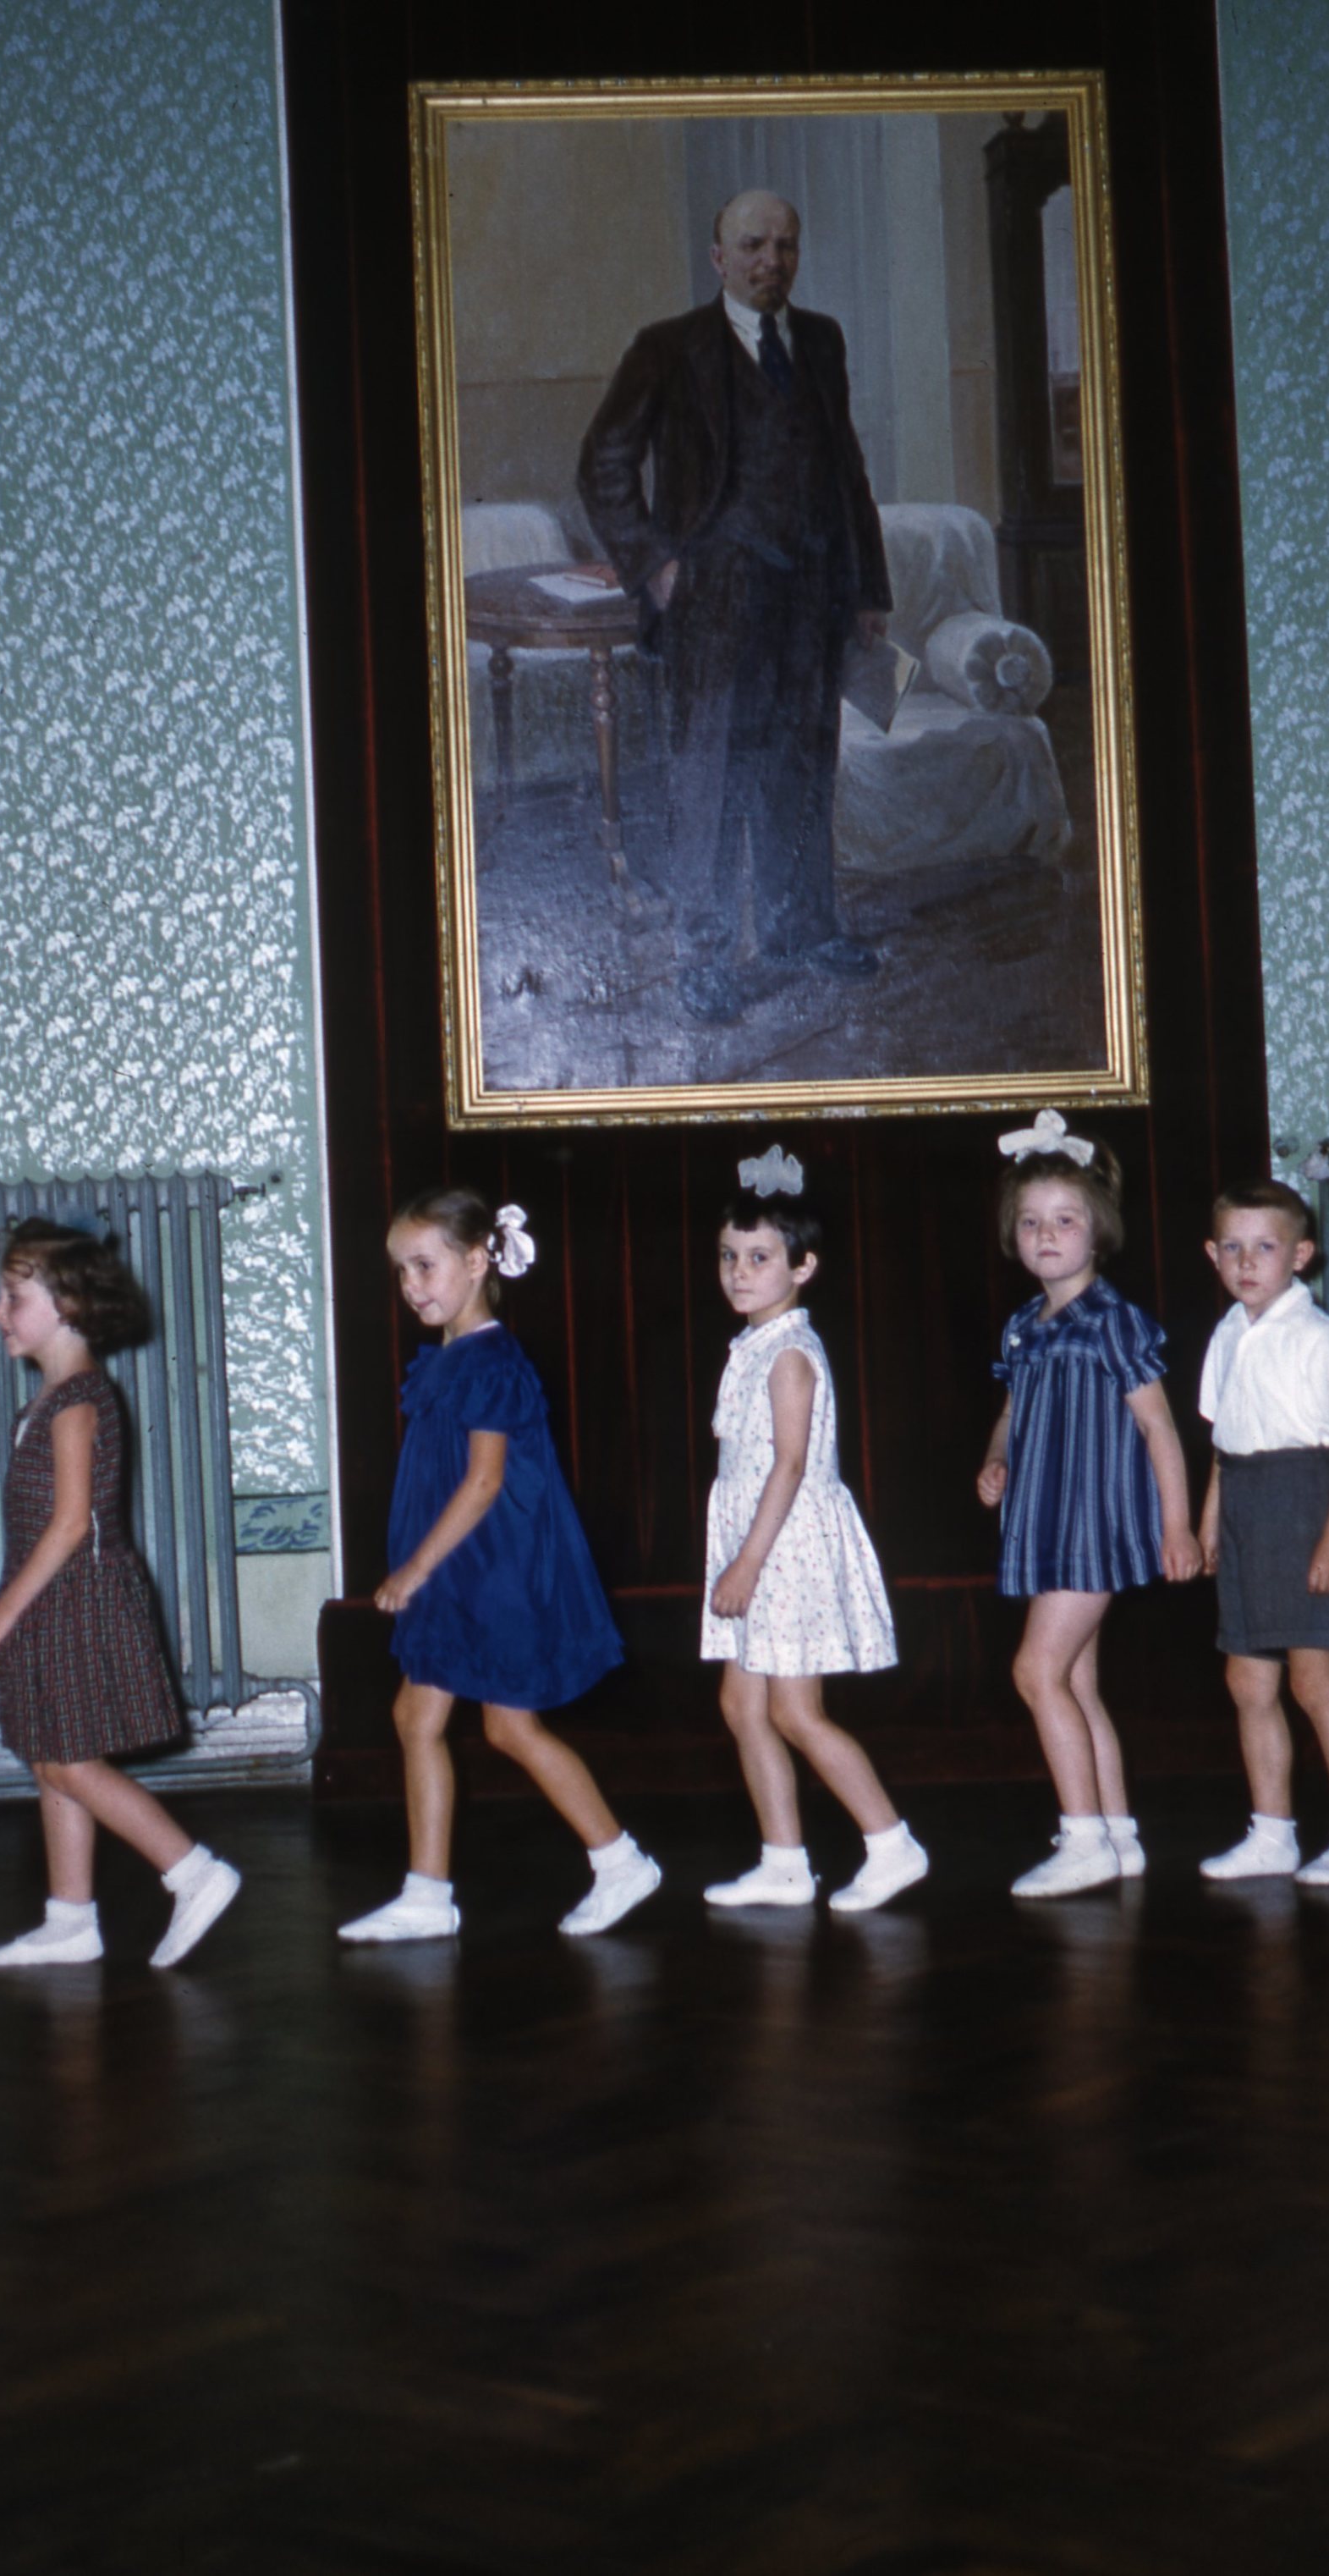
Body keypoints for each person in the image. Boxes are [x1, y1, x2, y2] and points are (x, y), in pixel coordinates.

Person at [577, 188, 892, 1027]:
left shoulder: (818, 341)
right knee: (709, 780)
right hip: (713, 603)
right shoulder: (668, 349)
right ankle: (705, 957)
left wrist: (868, 590)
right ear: (718, 257)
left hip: (811, 596)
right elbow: (603, 465)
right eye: (752, 246)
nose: (770, 262)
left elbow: (846, 469)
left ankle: (800, 932)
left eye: (785, 246)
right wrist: (653, 567)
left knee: (799, 770)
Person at [339, 1187, 660, 1943]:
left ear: (479, 1260)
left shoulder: (490, 1362)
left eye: (425, 1265)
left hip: (486, 1572)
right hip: (462, 1571)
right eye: (401, 1271)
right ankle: (432, 1892)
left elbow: (485, 1483)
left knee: (502, 1728)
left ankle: (617, 1863)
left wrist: (416, 1570)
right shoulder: (452, 1359)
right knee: (424, 1718)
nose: (411, 1285)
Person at [0, 1215, 240, 1968]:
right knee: (48, 1753)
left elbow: (69, 1524)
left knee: (72, 1761)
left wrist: (1, 1612)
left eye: (13, 1297)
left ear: (71, 1306)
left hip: (74, 1595)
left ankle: (194, 1871)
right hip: (50, 1599)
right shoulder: (52, 1398)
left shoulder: (79, 1401)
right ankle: (70, 1917)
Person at [976, 1112, 1201, 1896]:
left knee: (1035, 1673)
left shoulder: (1113, 1321)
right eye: (1032, 1222)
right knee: (1074, 1684)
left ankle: (1081, 1842)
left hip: (1093, 1529)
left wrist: (1176, 1525)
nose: (1047, 1234)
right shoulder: (1022, 1327)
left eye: (1064, 1221)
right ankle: (1114, 1834)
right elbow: (1011, 1411)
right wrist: (997, 1456)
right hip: (1041, 1523)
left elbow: (1160, 1430)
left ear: (1096, 1233)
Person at [700, 1147, 926, 1914]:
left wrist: (746, 1566)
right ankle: (784, 1860)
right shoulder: (755, 1344)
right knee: (742, 1706)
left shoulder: (790, 1354)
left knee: (798, 1711)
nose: (739, 1271)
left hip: (782, 1550)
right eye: (730, 1256)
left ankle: (892, 1843)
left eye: (759, 1257)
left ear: (803, 1267)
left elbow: (790, 1466)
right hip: (753, 1546)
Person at [1196, 1181, 1329, 1885]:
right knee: (1248, 1681)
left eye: (1266, 1247)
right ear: (1213, 1254)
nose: (1248, 1262)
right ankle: (1272, 1833)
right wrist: (1211, 1520)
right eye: (1233, 1248)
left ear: (1300, 1255)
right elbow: (1225, 1442)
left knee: (1314, 1683)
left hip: (1304, 1503)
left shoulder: (1316, 1334)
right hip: (1246, 1503)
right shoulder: (1228, 1334)